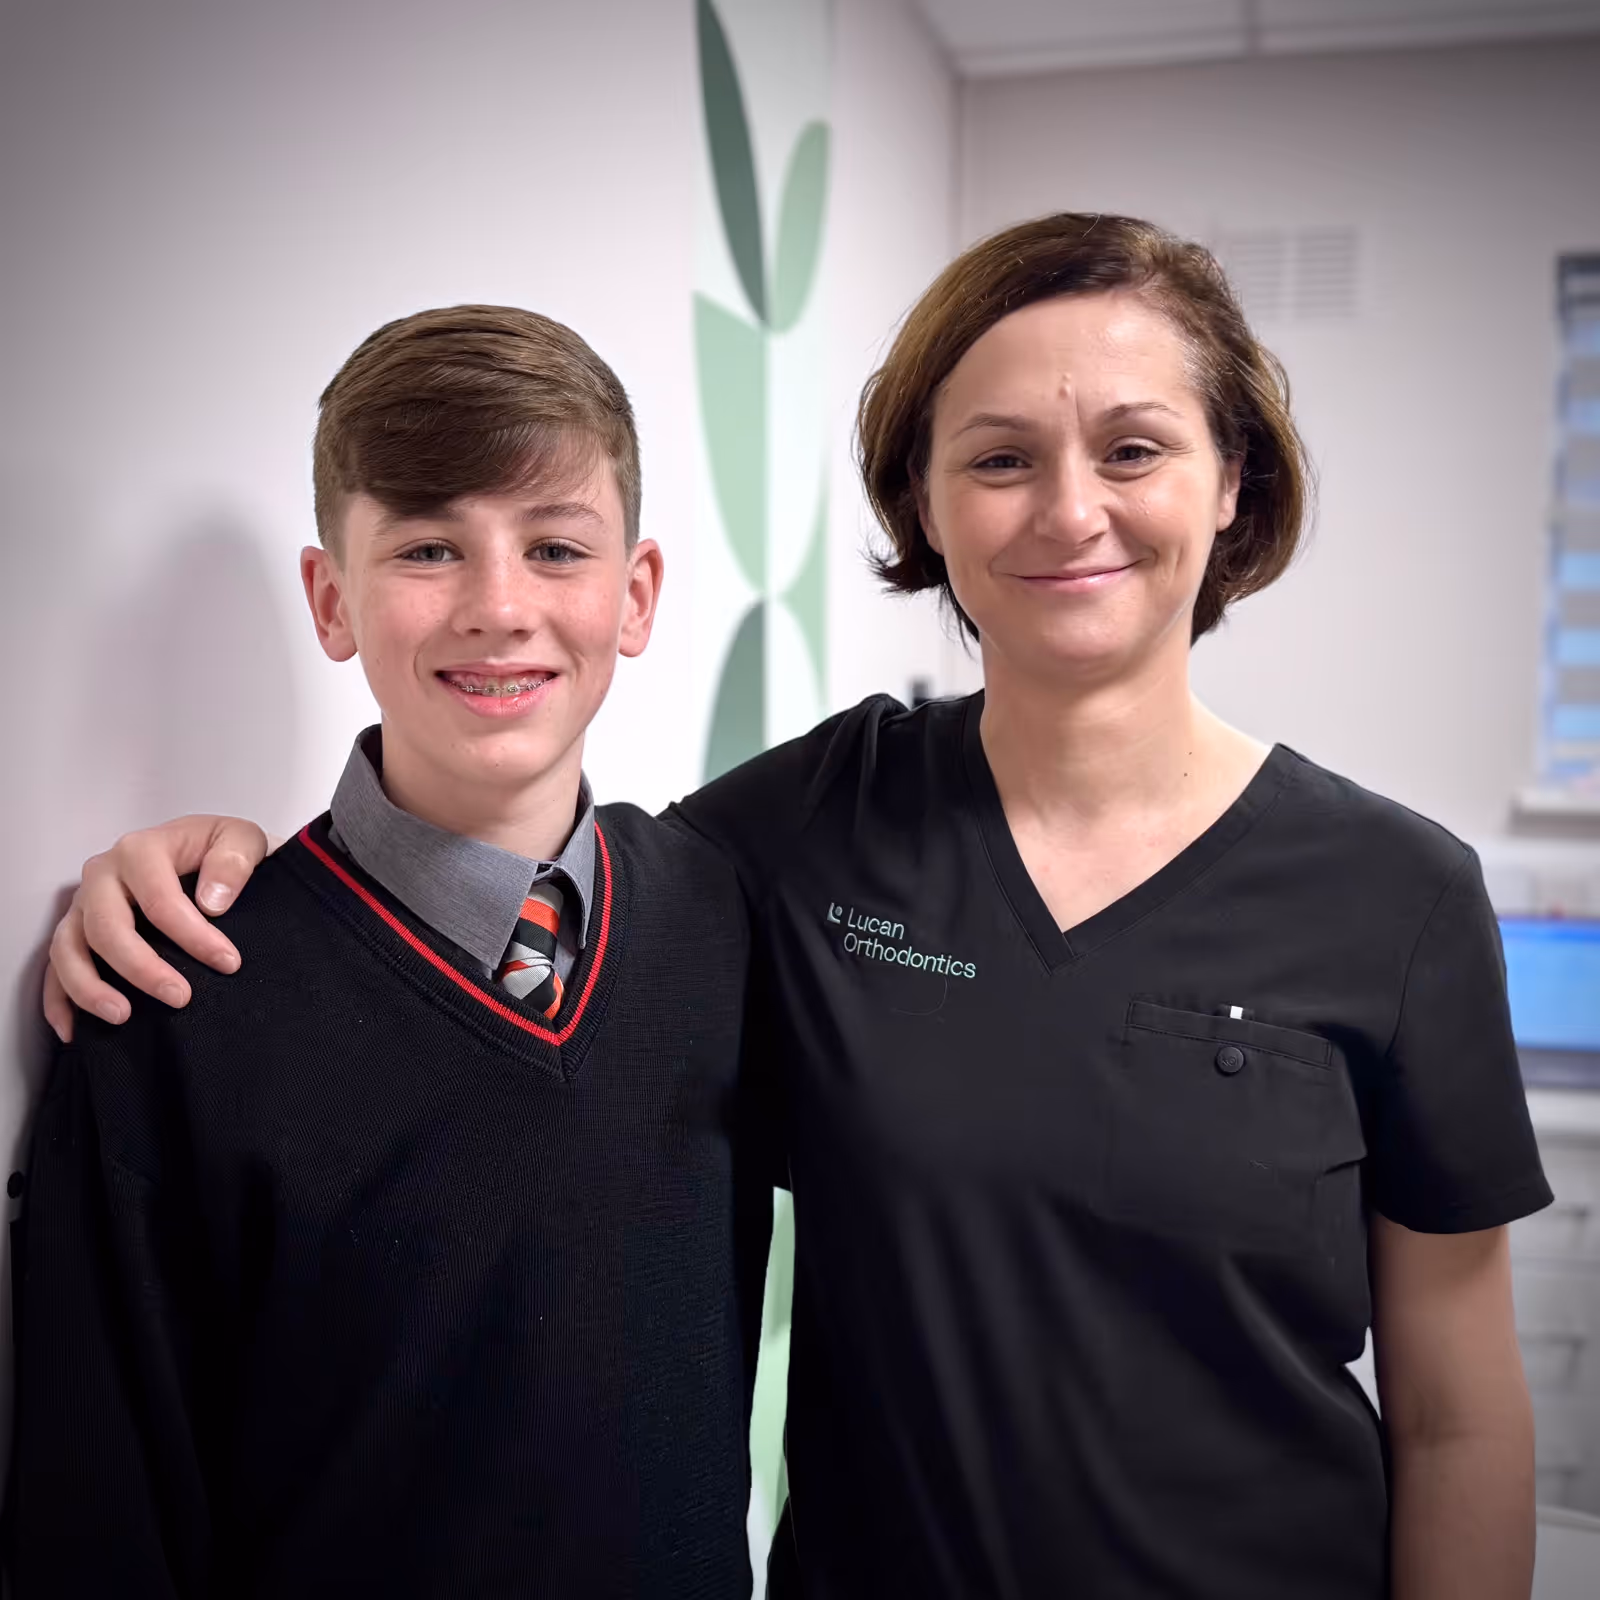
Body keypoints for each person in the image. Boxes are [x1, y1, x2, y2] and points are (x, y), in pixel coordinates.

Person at [41, 215, 1548, 1600]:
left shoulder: (1398, 897)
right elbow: (494, 901)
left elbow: (1459, 1413)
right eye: (1002, 456)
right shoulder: (799, 841)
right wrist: (185, 864)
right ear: (928, 504)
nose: (1070, 508)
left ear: (1234, 481)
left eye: (1137, 448)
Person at [11, 306, 770, 1598]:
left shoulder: (729, 920)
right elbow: (97, 1506)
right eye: (428, 548)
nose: (498, 606)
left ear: (634, 597)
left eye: (553, 547)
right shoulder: (174, 994)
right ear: (332, 599)